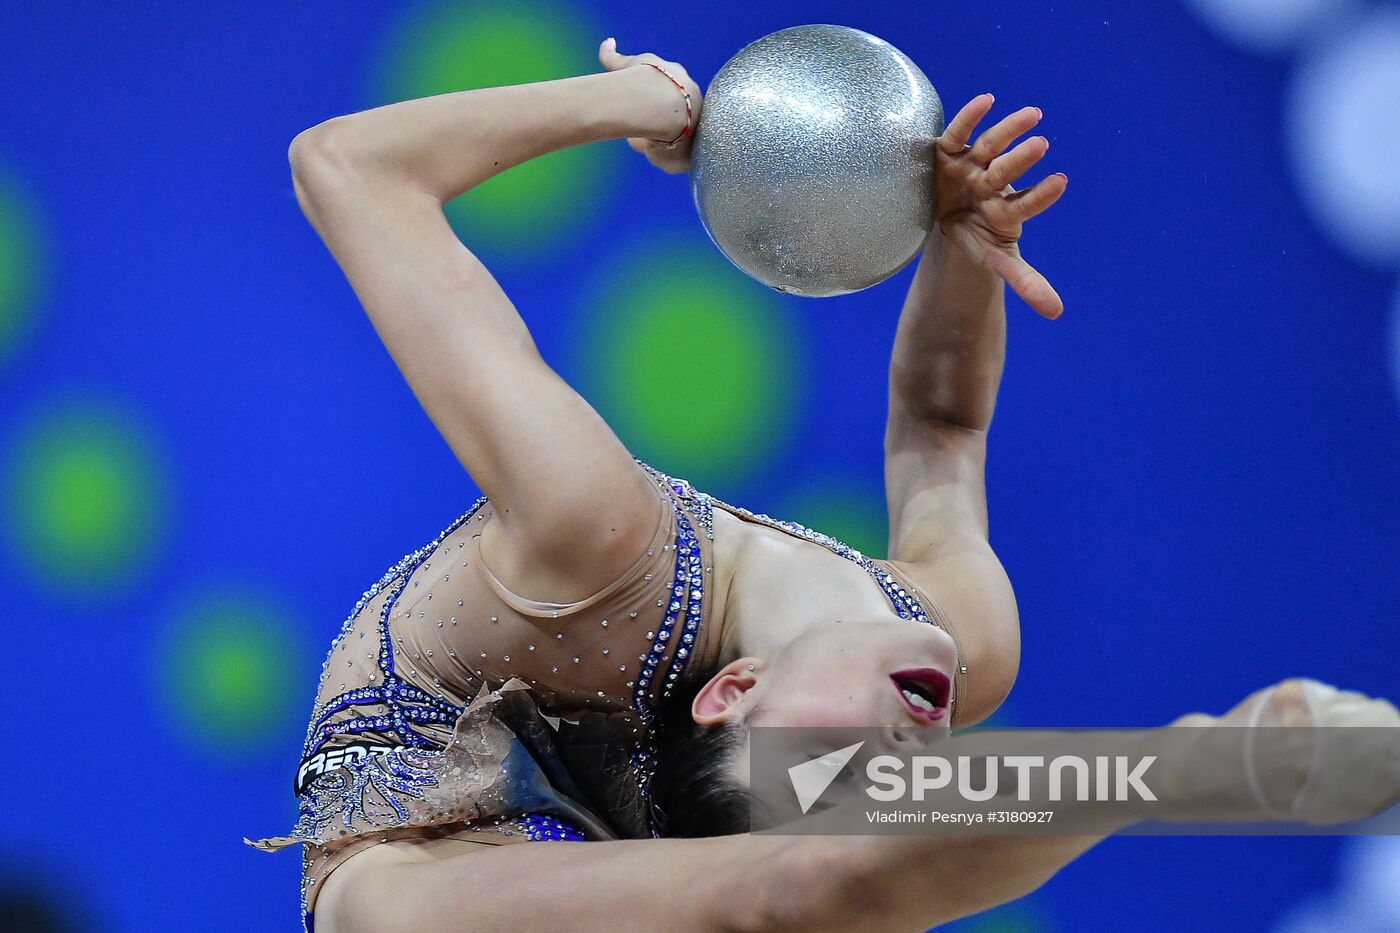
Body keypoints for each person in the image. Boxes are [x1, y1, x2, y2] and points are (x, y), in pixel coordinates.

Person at [248, 40, 1400, 933]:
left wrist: (628, 107)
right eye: (917, 787)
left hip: (425, 854)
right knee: (807, 888)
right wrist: (960, 255)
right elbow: (942, 428)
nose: (919, 767)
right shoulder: (964, 636)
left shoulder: (594, 543)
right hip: (547, 851)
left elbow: (346, 166)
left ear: (733, 691)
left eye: (858, 771)